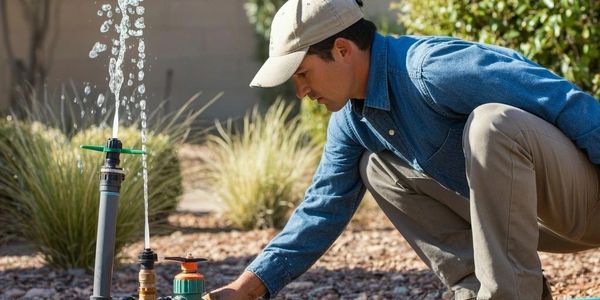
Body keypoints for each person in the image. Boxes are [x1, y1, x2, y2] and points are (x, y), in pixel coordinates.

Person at [206, 0, 600, 299]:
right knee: (377, 167)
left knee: (492, 125)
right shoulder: (351, 121)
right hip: (524, 226)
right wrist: (248, 287)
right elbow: (321, 208)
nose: (301, 91)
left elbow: (567, 103)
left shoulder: (431, 69)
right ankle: (480, 287)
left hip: (584, 207)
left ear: (342, 49)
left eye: (303, 73)